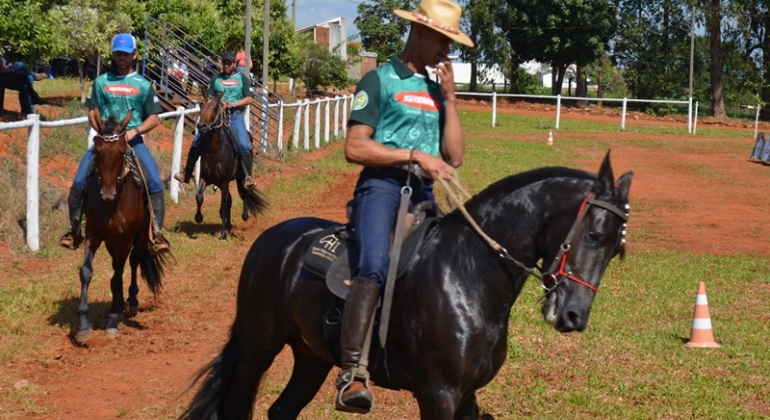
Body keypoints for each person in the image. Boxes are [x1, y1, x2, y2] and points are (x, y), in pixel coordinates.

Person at [334, 0, 473, 413]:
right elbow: (354, 146)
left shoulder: (435, 90)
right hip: (382, 187)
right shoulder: (379, 80)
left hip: (425, 194)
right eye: (443, 41)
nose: (446, 51)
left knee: (448, 274)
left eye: (451, 43)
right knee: (375, 262)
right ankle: (352, 374)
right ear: (419, 33)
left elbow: (455, 156)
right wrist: (412, 154)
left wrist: (449, 98)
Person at [59, 33, 171, 255]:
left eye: (126, 54)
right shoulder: (101, 82)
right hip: (105, 142)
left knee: (156, 182)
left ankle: (156, 234)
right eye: (118, 53)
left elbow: (154, 118)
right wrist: (99, 128)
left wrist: (134, 132)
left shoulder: (144, 84)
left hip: (133, 141)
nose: (122, 57)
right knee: (80, 180)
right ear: (113, 54)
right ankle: (73, 231)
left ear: (134, 55)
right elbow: (93, 111)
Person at [173, 51, 258, 191]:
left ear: (234, 64)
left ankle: (248, 177)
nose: (226, 65)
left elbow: (249, 98)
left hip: (235, 116)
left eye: (229, 63)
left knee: (243, 144)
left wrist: (233, 104)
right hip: (216, 117)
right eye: (224, 62)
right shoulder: (215, 79)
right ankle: (187, 172)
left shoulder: (242, 78)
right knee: (197, 140)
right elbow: (209, 98)